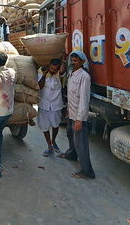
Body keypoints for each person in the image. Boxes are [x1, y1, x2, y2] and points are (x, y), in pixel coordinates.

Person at [58, 50, 95, 179]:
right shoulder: (71, 73)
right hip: (71, 112)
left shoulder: (84, 76)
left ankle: (87, 171)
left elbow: (84, 99)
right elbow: (71, 94)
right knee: (70, 134)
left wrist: (79, 119)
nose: (73, 63)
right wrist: (68, 109)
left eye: (76, 61)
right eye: (72, 60)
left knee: (81, 143)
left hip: (79, 116)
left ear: (82, 62)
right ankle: (71, 154)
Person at [38, 58, 66, 157]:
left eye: (55, 69)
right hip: (43, 104)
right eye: (51, 68)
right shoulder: (41, 72)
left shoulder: (60, 74)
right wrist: (45, 74)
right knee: (44, 126)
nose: (53, 70)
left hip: (56, 105)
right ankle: (49, 145)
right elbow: (40, 86)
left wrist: (63, 60)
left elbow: (62, 70)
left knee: (55, 125)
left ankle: (53, 141)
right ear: (49, 65)